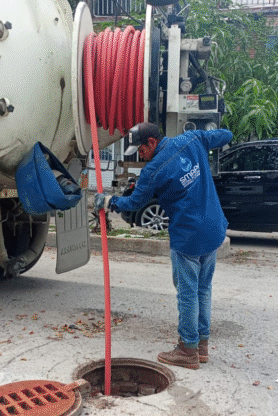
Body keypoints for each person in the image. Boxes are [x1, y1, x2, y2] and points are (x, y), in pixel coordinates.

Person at [94, 122, 233, 369]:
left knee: (188, 294)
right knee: (203, 289)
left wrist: (108, 201)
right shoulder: (193, 139)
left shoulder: (154, 170)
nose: (141, 156)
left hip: (188, 238)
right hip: (213, 230)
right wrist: (205, 139)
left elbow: (134, 203)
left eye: (141, 150)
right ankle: (201, 346)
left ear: (152, 142)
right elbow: (226, 135)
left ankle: (188, 350)